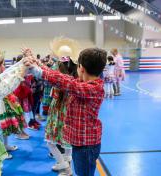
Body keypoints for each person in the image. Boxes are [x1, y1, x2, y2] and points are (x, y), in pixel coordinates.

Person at [28, 47, 107, 176]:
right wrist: (37, 64)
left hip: (86, 146)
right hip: (80, 143)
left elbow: (68, 84)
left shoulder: (93, 88)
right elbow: (61, 77)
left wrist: (39, 72)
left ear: (81, 68)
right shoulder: (82, 82)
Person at [45, 57, 77, 176]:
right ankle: (66, 165)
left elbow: (46, 76)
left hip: (58, 108)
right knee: (67, 141)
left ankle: (64, 165)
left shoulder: (56, 69)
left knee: (51, 142)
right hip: (69, 109)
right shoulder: (76, 73)